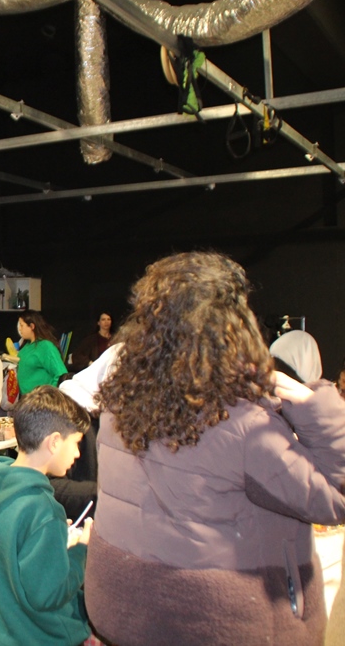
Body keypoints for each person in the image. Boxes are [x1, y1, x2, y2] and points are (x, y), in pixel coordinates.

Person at [85, 252, 345, 645]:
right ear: (234, 325)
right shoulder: (243, 423)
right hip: (214, 621)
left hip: (124, 607)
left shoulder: (118, 406)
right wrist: (314, 405)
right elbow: (335, 498)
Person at [0, 385, 93, 646]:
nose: (78, 453)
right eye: (76, 443)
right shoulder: (43, 509)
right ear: (54, 442)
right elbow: (49, 594)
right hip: (39, 637)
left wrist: (52, 541)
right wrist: (80, 549)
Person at [8, 311, 68, 395]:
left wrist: (49, 396)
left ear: (32, 326)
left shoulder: (46, 346)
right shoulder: (26, 346)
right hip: (26, 399)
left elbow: (60, 374)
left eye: (21, 325)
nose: (20, 329)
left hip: (41, 400)